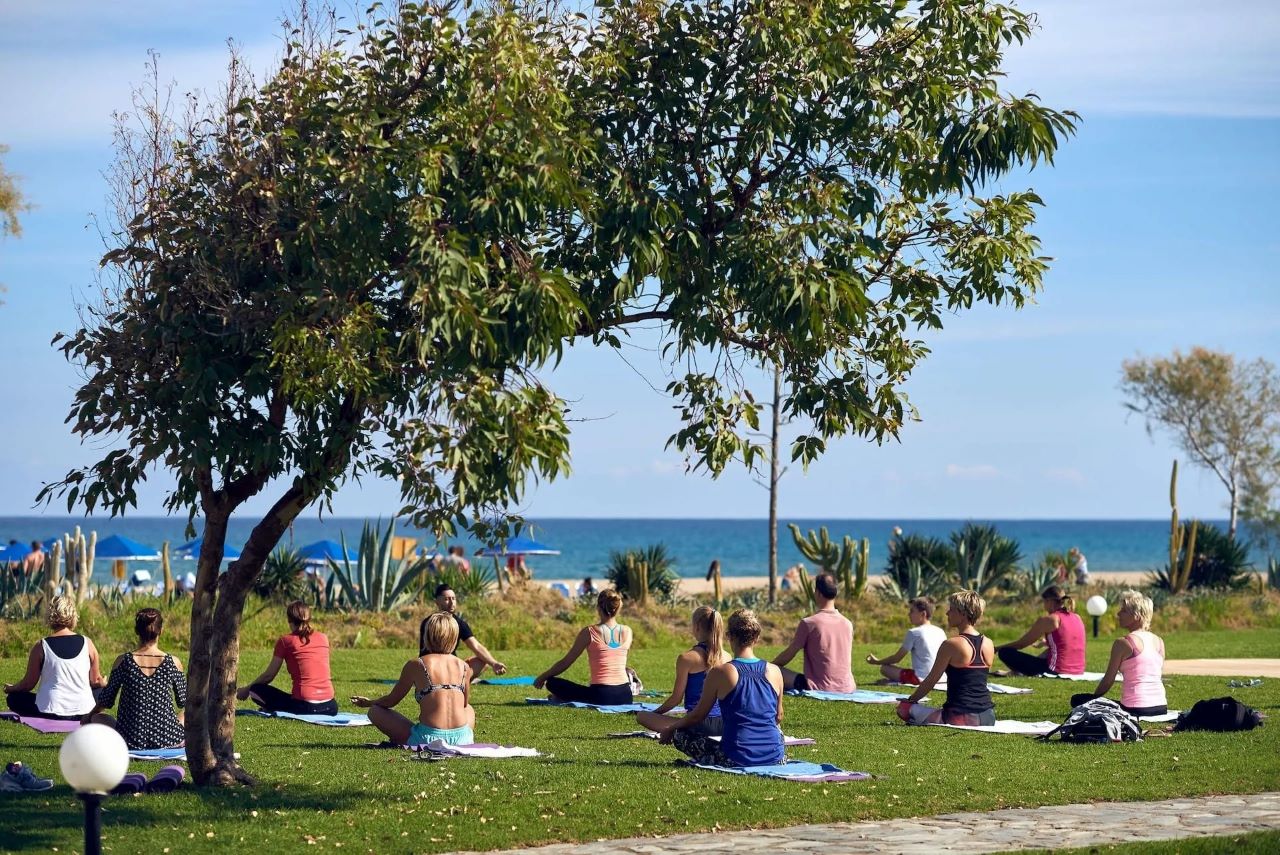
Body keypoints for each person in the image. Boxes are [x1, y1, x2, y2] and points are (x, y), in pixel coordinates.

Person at [657, 609, 784, 768]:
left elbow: (698, 716)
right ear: (757, 638)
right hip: (775, 756)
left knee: (680, 734)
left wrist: (671, 728)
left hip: (736, 757)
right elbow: (778, 716)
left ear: (729, 636)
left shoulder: (720, 672)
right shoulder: (775, 671)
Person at [352, 612, 476, 745]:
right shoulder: (464, 666)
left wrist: (369, 703)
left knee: (375, 711)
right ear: (454, 638)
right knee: (469, 708)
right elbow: (464, 704)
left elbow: (391, 701)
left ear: (427, 636)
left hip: (428, 739)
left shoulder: (417, 664)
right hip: (462, 739)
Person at [83, 608, 186, 749]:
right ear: (161, 631)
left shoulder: (123, 661)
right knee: (187, 712)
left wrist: (89, 716)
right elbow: (183, 702)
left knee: (97, 717)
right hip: (167, 738)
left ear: (137, 631)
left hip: (130, 738)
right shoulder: (173, 662)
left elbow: (106, 700)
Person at [897, 590, 996, 726]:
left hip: (960, 716)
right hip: (988, 716)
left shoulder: (951, 644)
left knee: (904, 709)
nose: (947, 613)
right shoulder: (989, 643)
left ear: (963, 613)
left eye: (951, 610)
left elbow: (931, 681)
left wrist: (910, 701)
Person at [3, 596, 105, 719]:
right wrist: (103, 682)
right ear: (73, 616)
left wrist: (12, 688)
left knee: (14, 698)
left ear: (50, 616)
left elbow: (28, 684)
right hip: (84, 711)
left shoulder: (41, 646)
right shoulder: (88, 643)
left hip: (50, 710)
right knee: (102, 692)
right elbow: (95, 681)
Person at [1071, 590, 1167, 716]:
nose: (1118, 614)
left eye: (1124, 611)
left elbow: (1108, 681)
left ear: (1136, 616)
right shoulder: (1159, 641)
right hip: (1161, 707)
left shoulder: (1123, 643)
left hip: (1136, 708)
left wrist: (1092, 699)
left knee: (1077, 700)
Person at [637, 606, 727, 736]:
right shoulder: (727, 657)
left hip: (697, 724)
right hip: (723, 724)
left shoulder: (687, 658)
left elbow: (676, 699)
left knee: (642, 716)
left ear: (697, 627)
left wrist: (655, 714)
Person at [237, 601, 337, 716]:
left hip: (305, 707)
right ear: (309, 618)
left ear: (289, 620)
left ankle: (271, 707)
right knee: (290, 698)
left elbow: (269, 676)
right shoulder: (324, 638)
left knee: (255, 690)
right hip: (331, 707)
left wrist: (246, 690)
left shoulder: (285, 641)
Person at [534, 589, 633, 705]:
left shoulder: (590, 632)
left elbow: (566, 662)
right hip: (625, 696)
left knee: (552, 683)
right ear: (618, 607)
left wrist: (543, 677)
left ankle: (563, 697)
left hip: (602, 696)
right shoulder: (628, 631)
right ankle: (564, 698)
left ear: (598, 608)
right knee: (584, 692)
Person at [771, 573, 854, 692]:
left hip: (818, 686)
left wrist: (771, 666)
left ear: (818, 593)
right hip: (847, 687)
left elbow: (790, 653)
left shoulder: (809, 623)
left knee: (773, 671)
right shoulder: (848, 624)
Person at [995, 585, 1085, 677]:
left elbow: (1021, 644)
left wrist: (996, 649)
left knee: (1005, 652)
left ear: (1049, 601)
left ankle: (1017, 672)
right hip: (1078, 670)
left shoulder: (1050, 619)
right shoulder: (1077, 617)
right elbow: (1068, 643)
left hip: (1055, 670)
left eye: (1044, 602)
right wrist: (1046, 643)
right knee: (1048, 652)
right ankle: (1016, 672)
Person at [429, 583, 506, 679]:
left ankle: (458, 680)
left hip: (452, 667)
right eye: (446, 599)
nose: (451, 602)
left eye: (453, 598)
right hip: (433, 668)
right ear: (437, 602)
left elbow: (476, 646)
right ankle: (456, 680)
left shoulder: (460, 624)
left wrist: (494, 663)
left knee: (482, 661)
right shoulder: (430, 623)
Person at [866, 596, 948, 685]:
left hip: (921, 678)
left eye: (912, 611)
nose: (909, 614)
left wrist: (877, 662)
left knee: (885, 668)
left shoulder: (914, 632)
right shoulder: (940, 631)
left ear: (923, 614)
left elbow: (897, 658)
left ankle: (895, 681)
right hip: (942, 678)